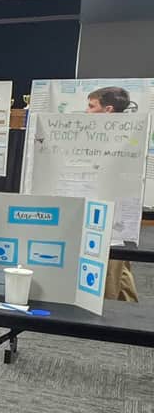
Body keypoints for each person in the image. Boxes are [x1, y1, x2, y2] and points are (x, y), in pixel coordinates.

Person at [86, 88, 138, 302]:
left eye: (92, 106)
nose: (87, 111)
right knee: (122, 271)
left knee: (113, 268)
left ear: (108, 110)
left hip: (113, 214)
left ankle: (113, 320)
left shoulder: (125, 139)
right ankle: (135, 318)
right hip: (105, 209)